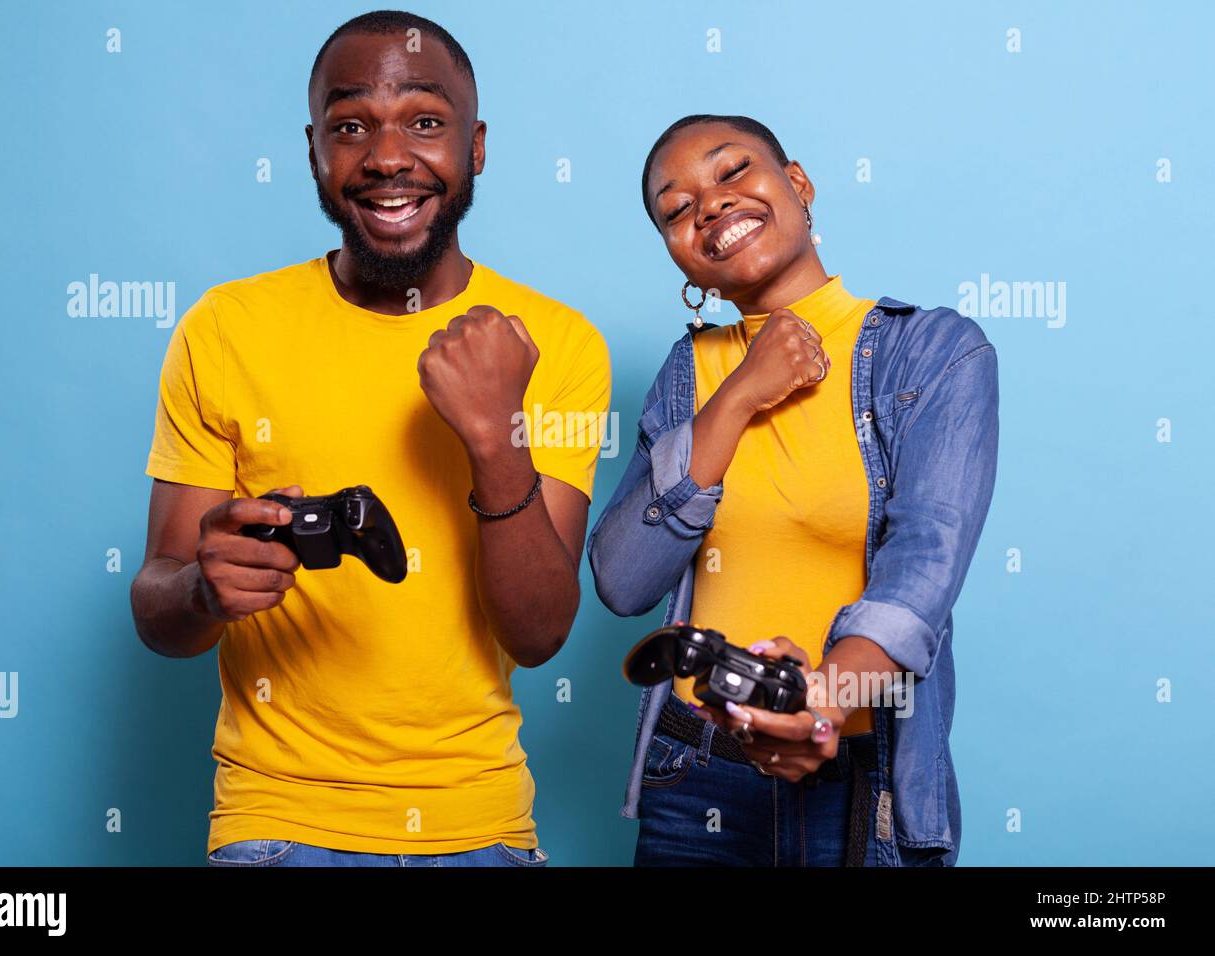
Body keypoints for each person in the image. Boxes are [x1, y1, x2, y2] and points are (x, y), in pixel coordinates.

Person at [129, 10, 610, 868]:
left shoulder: (556, 342)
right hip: (277, 823)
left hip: (483, 825)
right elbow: (157, 608)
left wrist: (496, 437)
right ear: (315, 149)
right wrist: (206, 588)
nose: (388, 157)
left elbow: (538, 634)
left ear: (478, 145)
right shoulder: (226, 327)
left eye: (425, 121)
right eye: (351, 126)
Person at [587, 114, 998, 866]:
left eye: (733, 171)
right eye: (676, 210)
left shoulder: (934, 351)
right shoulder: (688, 378)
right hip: (695, 776)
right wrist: (741, 392)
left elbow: (924, 568)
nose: (708, 205)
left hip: (859, 778)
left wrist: (822, 704)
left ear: (799, 184)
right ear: (682, 260)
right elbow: (622, 578)